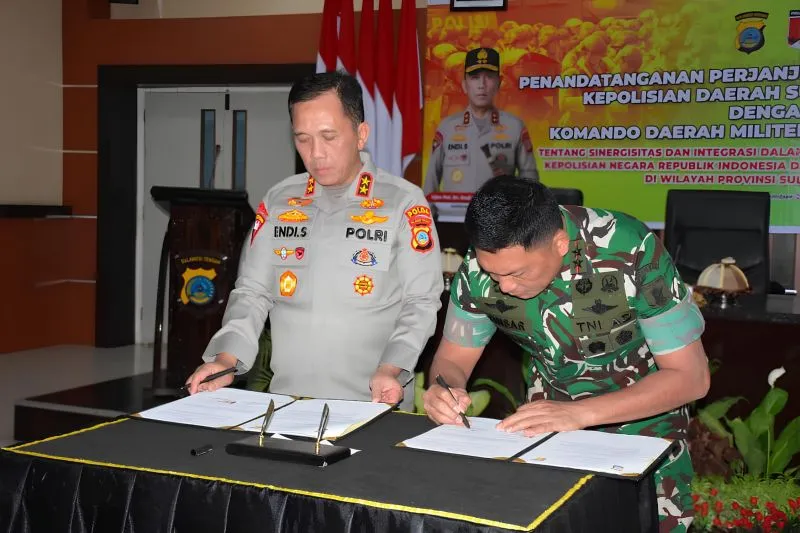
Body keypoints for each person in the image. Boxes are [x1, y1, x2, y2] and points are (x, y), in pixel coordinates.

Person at [423, 176, 710, 533]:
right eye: (493, 273)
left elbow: (691, 377)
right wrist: (445, 390)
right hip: (548, 429)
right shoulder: (480, 268)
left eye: (516, 273)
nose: (504, 286)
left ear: (560, 243)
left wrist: (579, 413)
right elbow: (452, 359)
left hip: (645, 427)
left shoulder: (630, 248)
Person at [186, 71, 444, 410]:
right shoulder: (280, 200)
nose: (316, 153)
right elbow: (252, 292)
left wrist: (391, 368)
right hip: (288, 405)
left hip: (376, 403)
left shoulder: (402, 202)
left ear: (361, 134)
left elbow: (421, 302)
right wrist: (225, 359)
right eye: (303, 139)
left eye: (328, 136)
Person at [422, 47, 539, 198]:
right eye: (475, 77)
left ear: (499, 83)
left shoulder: (515, 127)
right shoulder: (446, 128)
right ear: (464, 85)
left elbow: (531, 185)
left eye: (489, 77)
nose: (481, 84)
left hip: (499, 213)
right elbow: (430, 184)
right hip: (454, 213)